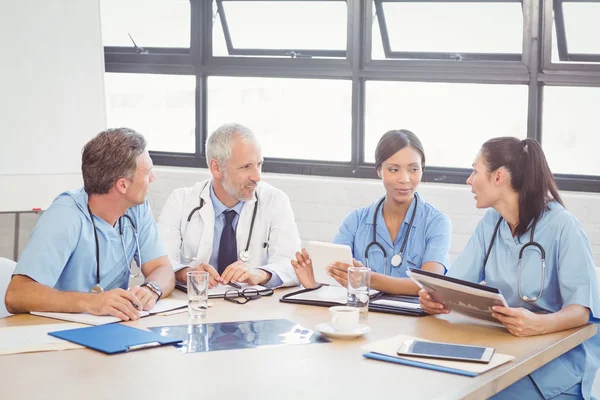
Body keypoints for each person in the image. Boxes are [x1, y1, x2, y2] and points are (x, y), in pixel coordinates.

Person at [419, 137, 600, 399]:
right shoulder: (491, 223)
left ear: (498, 177)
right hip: (504, 353)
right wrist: (433, 296)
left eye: (475, 171)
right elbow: (455, 284)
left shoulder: (563, 226)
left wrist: (539, 324)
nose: (469, 180)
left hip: (554, 367)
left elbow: (581, 311)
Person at [5, 128, 175, 321]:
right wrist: (91, 302)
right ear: (122, 185)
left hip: (111, 327)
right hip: (55, 330)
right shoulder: (65, 215)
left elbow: (162, 269)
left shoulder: (137, 207)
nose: (153, 178)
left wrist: (151, 290)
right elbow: (16, 295)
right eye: (148, 172)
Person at [292, 129, 452, 295]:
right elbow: (334, 277)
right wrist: (314, 282)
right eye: (393, 169)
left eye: (413, 169)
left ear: (422, 169)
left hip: (416, 319)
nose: (404, 179)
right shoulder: (355, 221)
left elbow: (430, 285)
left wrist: (368, 279)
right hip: (364, 315)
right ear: (378, 171)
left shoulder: (436, 222)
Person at [158, 123, 300, 289]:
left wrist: (260, 274)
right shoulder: (180, 201)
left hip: (252, 307)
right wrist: (188, 273)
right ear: (216, 168)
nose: (257, 176)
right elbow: (159, 262)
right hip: (197, 304)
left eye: (259, 164)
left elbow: (292, 265)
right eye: (246, 166)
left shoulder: (275, 201)